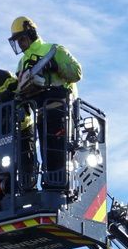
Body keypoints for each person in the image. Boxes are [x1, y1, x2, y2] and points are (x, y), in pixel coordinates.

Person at [6, 16, 84, 188]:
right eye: (17, 41)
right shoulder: (22, 63)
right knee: (46, 152)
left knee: (58, 152)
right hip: (40, 114)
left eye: (22, 39)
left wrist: (55, 66)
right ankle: (48, 183)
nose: (20, 43)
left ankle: (61, 186)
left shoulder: (54, 50)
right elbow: (18, 91)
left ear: (31, 33)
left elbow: (77, 73)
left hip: (61, 109)